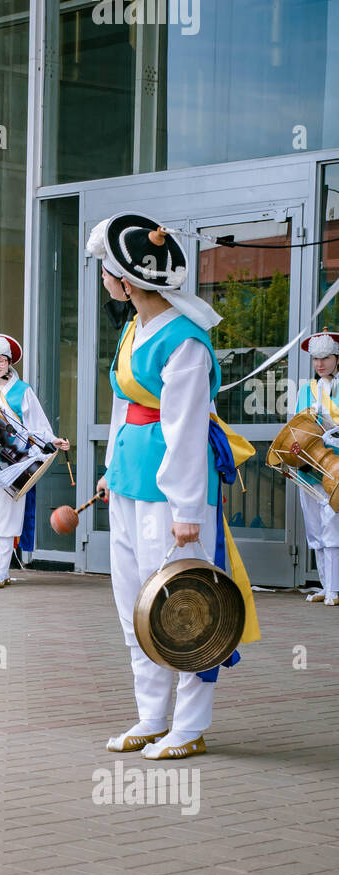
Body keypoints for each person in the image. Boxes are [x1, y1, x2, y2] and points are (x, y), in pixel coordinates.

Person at [89, 213, 259, 761]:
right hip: (131, 483)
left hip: (175, 493)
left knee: (183, 603)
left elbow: (185, 429)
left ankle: (189, 725)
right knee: (133, 602)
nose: (103, 279)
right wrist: (112, 469)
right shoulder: (133, 329)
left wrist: (188, 507)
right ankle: (151, 715)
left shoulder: (184, 343)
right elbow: (123, 408)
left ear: (127, 280)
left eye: (105, 271)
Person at [0, 334, 70, 587]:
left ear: (9, 363)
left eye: (1, 360)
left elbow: (38, 424)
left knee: (7, 517)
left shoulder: (23, 390)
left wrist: (53, 441)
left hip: (16, 463)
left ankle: (0, 572)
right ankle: (3, 570)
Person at [293, 332, 339, 605]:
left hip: (335, 464)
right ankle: (325, 586)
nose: (320, 364)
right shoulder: (305, 390)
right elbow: (297, 427)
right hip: (309, 467)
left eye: (325, 358)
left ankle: (334, 588)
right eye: (315, 359)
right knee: (315, 528)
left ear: (336, 359)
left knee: (333, 524)